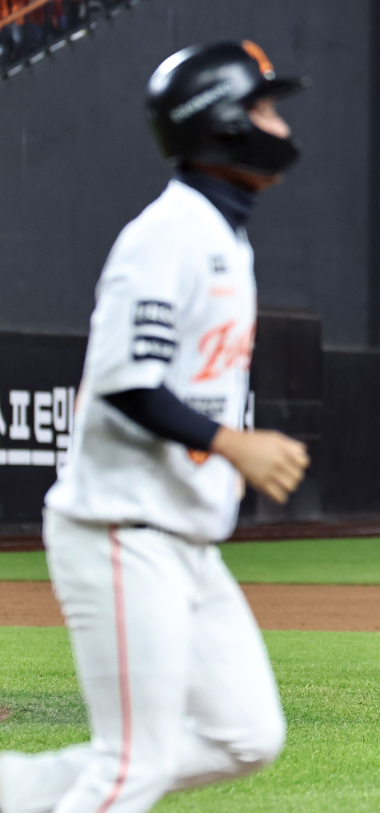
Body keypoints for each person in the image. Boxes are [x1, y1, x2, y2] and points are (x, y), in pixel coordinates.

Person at [0, 40, 311, 813]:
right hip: (120, 529)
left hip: (184, 539)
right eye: (263, 107)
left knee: (247, 735)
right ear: (223, 122)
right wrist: (232, 443)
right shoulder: (168, 235)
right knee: (133, 764)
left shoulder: (224, 237)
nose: (279, 124)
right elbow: (124, 384)